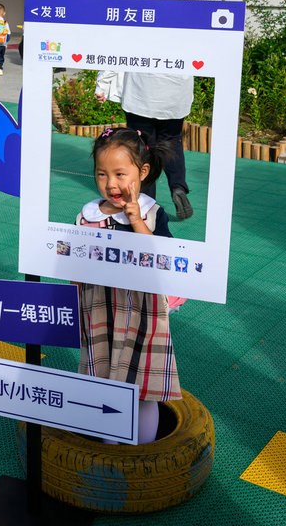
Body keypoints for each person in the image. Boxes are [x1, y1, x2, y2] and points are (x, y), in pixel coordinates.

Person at [75, 127, 180, 444]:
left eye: (120, 174)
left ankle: (142, 453)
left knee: (143, 388)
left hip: (142, 313)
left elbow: (162, 259)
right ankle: (111, 447)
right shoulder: (87, 216)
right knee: (105, 381)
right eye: (102, 174)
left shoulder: (151, 213)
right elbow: (76, 264)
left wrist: (136, 221)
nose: (111, 184)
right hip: (101, 311)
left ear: (142, 172)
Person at [95, 0, 195, 220]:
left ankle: (147, 202)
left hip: (141, 93)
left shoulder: (135, 8)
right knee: (172, 141)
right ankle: (178, 187)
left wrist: (103, 84)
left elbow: (116, 47)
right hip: (175, 93)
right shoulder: (189, 10)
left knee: (143, 147)